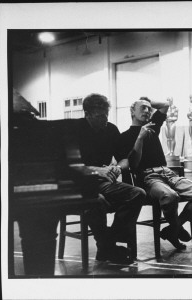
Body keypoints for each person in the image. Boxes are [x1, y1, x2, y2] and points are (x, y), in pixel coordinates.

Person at [118, 97, 192, 250]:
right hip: (147, 177)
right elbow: (133, 164)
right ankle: (176, 229)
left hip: (167, 172)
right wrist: (140, 138)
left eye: (148, 108)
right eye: (142, 108)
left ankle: (172, 229)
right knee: (169, 196)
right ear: (132, 111)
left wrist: (145, 101)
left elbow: (165, 105)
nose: (147, 111)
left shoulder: (153, 126)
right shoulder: (124, 136)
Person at [76, 93, 146, 264]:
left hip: (105, 182)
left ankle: (106, 244)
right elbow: (67, 167)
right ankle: (107, 246)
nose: (105, 120)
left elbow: (124, 159)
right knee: (96, 201)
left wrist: (116, 167)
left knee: (138, 194)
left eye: (106, 115)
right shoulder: (74, 131)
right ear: (87, 114)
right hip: (81, 184)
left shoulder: (111, 129)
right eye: (100, 116)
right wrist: (96, 170)